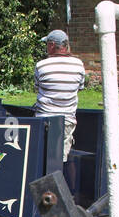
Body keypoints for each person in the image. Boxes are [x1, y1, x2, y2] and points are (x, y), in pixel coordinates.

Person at [33, 29, 86, 159]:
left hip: (43, 119)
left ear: (51, 45)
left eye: (47, 45)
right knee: (60, 159)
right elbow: (78, 88)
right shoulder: (79, 65)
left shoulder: (41, 65)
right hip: (66, 121)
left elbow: (37, 88)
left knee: (40, 157)